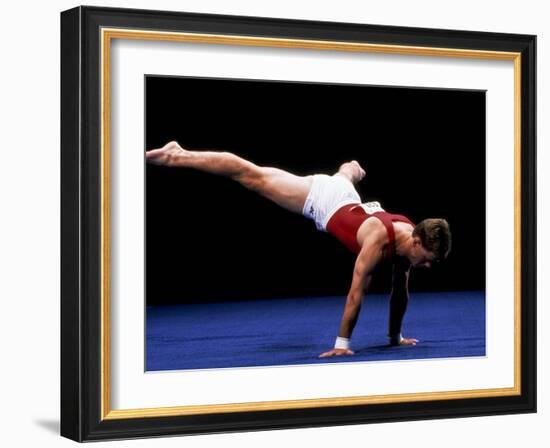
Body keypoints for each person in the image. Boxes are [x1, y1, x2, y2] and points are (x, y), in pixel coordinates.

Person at [146, 141, 452, 358]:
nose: (426, 266)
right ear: (415, 241)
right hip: (323, 200)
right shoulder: (379, 241)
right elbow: (356, 293)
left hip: (347, 197)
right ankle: (177, 155)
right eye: (427, 260)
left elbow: (400, 291)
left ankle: (350, 169)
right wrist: (343, 343)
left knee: (344, 177)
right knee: (251, 176)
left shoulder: (412, 235)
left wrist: (395, 337)